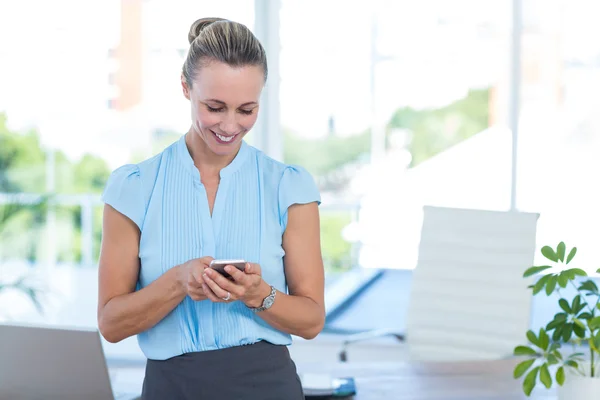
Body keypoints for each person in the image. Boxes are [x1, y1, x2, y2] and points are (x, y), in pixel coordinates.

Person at [97, 17, 325, 400]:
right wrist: (177, 283)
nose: (230, 125)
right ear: (186, 88)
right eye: (215, 107)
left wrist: (258, 294)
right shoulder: (134, 187)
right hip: (171, 388)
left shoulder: (287, 186)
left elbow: (312, 320)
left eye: (246, 109)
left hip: (268, 386)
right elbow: (111, 323)